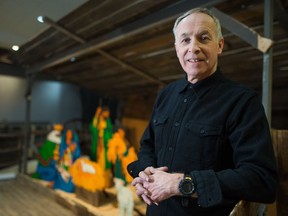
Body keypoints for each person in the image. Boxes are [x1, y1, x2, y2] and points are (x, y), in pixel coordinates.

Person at [127, 7, 278, 216]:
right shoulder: (166, 94)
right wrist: (145, 173)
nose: (193, 47)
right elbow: (148, 145)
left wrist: (180, 183)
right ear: (176, 48)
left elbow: (261, 180)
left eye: (204, 38)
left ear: (220, 45)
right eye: (185, 40)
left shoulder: (242, 102)